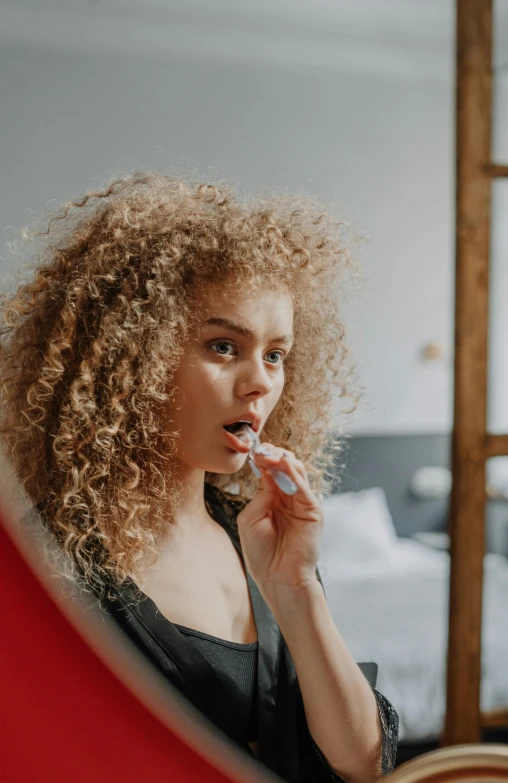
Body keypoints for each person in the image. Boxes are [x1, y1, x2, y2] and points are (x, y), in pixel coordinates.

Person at [0, 171, 399, 783]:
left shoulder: (258, 542)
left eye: (275, 354)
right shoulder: (46, 565)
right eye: (222, 346)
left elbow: (364, 764)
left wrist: (297, 593)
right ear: (133, 356)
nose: (261, 381)